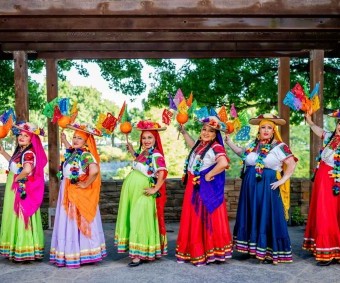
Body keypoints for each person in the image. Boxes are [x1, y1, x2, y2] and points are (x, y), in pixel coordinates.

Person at [225, 113, 297, 264]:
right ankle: (253, 248)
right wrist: (229, 141)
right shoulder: (253, 145)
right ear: (259, 130)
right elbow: (241, 154)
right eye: (263, 127)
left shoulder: (279, 146)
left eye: (269, 128)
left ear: (273, 130)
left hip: (268, 186)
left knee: (267, 215)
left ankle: (269, 250)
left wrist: (282, 180)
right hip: (250, 187)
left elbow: (291, 163)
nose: (265, 130)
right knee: (252, 214)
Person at [176, 116, 233, 266]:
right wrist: (184, 132)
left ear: (215, 134)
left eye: (211, 131)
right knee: (193, 217)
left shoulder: (216, 147)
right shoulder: (199, 144)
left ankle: (203, 252)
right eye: (204, 129)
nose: (206, 132)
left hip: (202, 187)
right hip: (193, 184)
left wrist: (209, 174)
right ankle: (193, 250)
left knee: (200, 218)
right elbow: (191, 144)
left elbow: (223, 163)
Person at [50, 123, 107, 268]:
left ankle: (81, 253)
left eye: (79, 138)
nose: (75, 140)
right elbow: (72, 153)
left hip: (77, 192)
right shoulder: (75, 153)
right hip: (68, 190)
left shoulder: (86, 154)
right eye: (74, 137)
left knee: (76, 219)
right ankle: (73, 252)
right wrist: (64, 140)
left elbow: (94, 170)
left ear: (86, 142)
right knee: (70, 221)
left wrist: (86, 184)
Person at [115, 120, 168, 267]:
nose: (146, 141)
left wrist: (155, 189)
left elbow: (162, 172)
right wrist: (132, 151)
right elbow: (143, 166)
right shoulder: (144, 153)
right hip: (133, 193)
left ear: (155, 139)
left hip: (143, 194)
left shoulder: (156, 154)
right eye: (144, 138)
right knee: (135, 219)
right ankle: (141, 251)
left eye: (150, 137)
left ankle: (138, 255)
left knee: (139, 221)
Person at [0, 121, 47, 262]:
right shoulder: (21, 151)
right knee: (16, 214)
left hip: (20, 187)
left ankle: (24, 247)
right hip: (16, 184)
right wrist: (3, 153)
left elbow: (26, 170)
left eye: (25, 135)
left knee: (20, 214)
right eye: (20, 134)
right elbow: (15, 166)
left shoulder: (28, 153)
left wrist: (16, 180)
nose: (21, 137)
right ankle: (20, 248)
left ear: (31, 138)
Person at [302, 110, 340, 266]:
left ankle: (331, 251)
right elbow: (319, 131)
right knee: (322, 212)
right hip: (322, 182)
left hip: (333, 182)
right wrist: (310, 121)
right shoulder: (332, 138)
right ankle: (327, 249)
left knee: (329, 214)